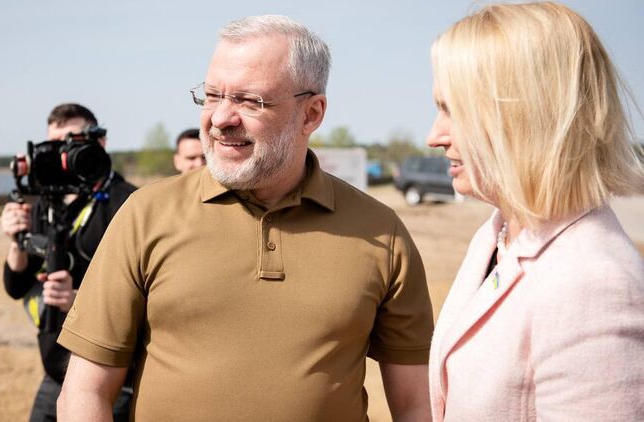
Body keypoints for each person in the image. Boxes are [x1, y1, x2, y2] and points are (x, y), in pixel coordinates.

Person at [57, 15, 434, 422]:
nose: (220, 118)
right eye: (212, 96)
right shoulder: (145, 215)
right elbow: (85, 391)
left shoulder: (381, 233)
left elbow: (417, 404)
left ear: (311, 114)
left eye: (250, 101)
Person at [426, 3, 644, 421]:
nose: (434, 136)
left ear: (526, 115)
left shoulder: (593, 284)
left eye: (453, 110)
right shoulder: (497, 234)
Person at [0, 103, 137, 421]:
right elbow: (15, 286)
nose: (61, 154)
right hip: (56, 371)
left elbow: (143, 299)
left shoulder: (130, 203)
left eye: (70, 142)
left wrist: (78, 300)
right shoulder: (46, 200)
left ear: (99, 141)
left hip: (112, 379)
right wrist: (17, 240)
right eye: (54, 144)